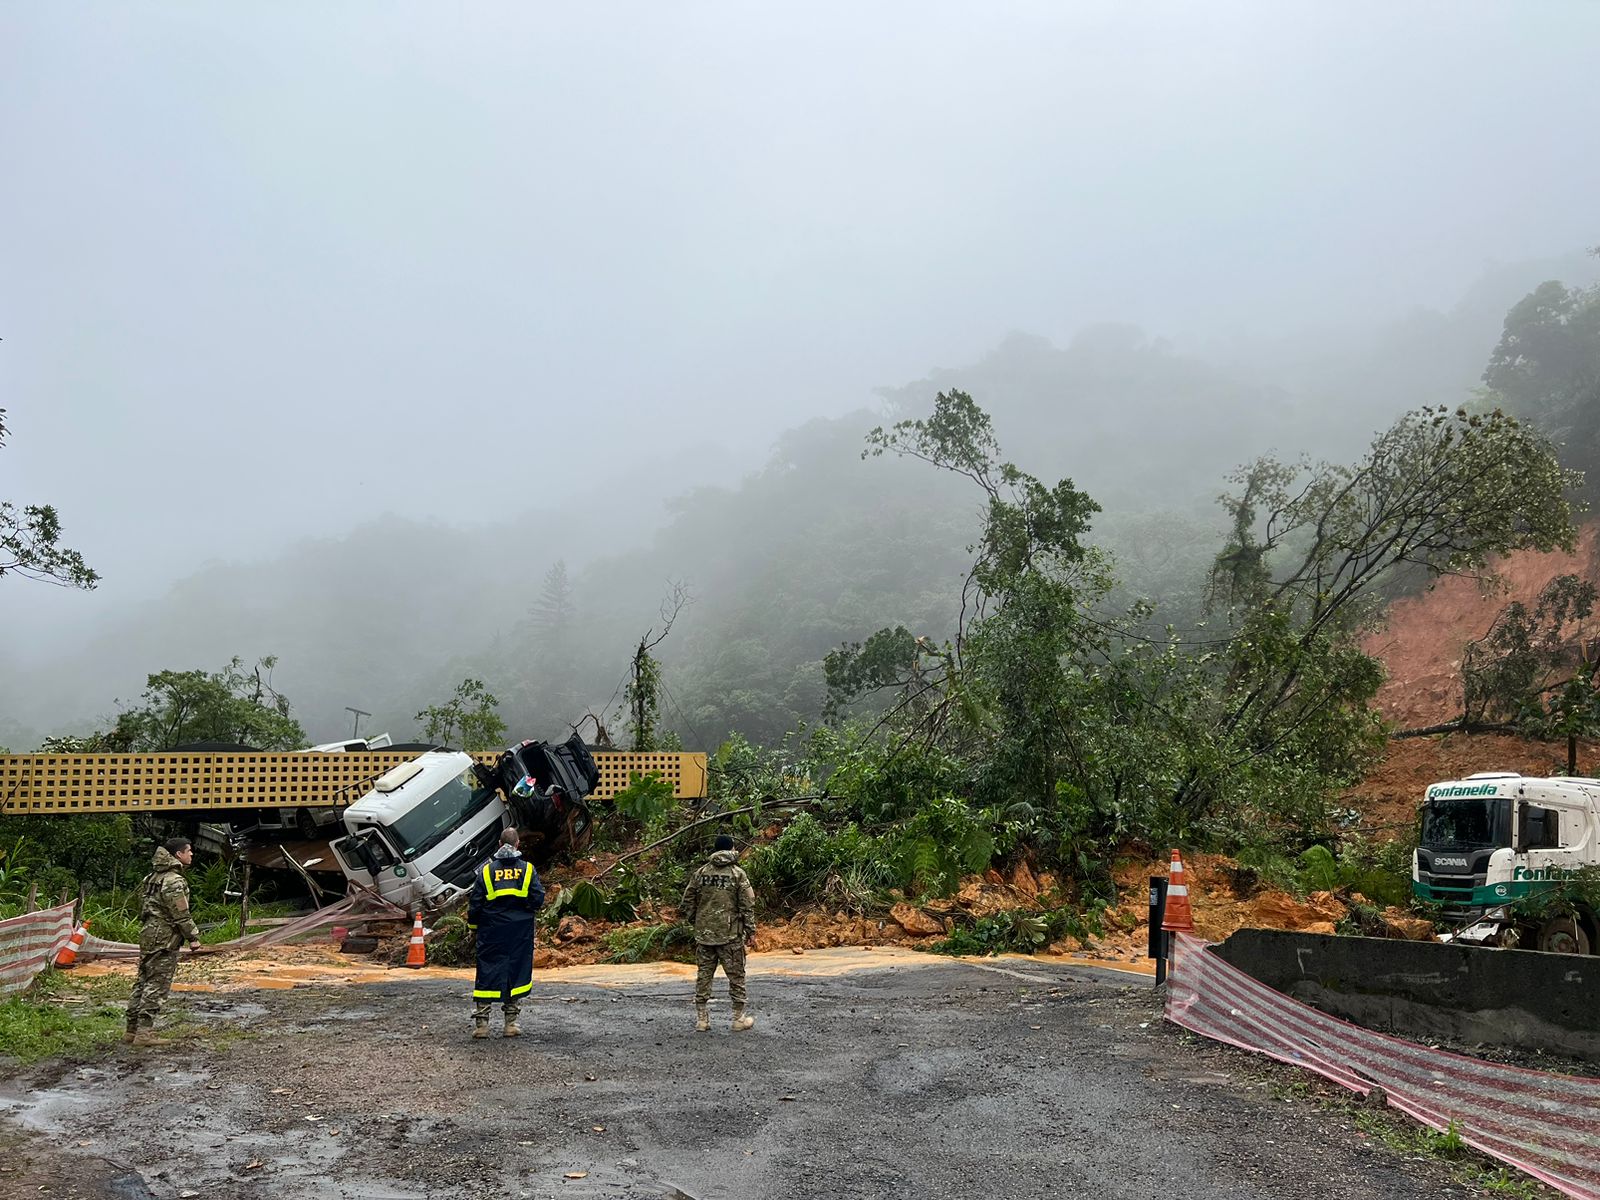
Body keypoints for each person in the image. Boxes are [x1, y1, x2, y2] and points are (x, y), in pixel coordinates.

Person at [466, 826, 544, 1039]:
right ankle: (511, 1024)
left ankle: (482, 1025)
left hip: (491, 932)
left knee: (487, 971)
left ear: (500, 845)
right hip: (519, 933)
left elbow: (475, 905)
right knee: (516, 971)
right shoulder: (528, 870)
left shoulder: (486, 871)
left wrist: (474, 929)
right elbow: (538, 899)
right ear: (518, 844)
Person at [124, 837, 203, 1046]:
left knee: (142, 980)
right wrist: (193, 937)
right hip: (165, 936)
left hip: (148, 932)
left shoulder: (151, 877)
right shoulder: (174, 881)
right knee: (156, 983)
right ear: (178, 855)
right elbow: (181, 913)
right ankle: (144, 1034)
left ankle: (131, 1030)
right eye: (189, 851)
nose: (191, 854)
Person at [680, 833, 756, 1032]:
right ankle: (738, 1019)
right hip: (730, 935)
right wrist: (751, 931)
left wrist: (697, 921)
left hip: (704, 935)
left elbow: (687, 900)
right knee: (736, 976)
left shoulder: (701, 873)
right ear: (731, 849)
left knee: (704, 976)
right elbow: (747, 905)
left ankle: (702, 1020)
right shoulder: (737, 873)